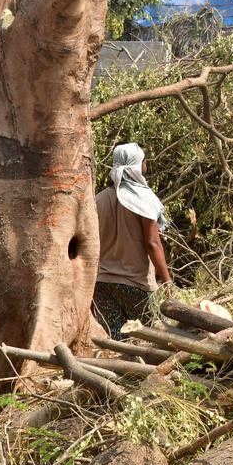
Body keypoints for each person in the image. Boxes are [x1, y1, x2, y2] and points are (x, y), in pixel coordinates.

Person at [93, 143, 172, 339]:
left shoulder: (97, 200)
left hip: (102, 284)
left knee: (116, 342)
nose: (146, 165)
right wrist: (168, 282)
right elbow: (153, 243)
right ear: (138, 166)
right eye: (144, 161)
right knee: (152, 338)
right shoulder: (142, 199)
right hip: (136, 285)